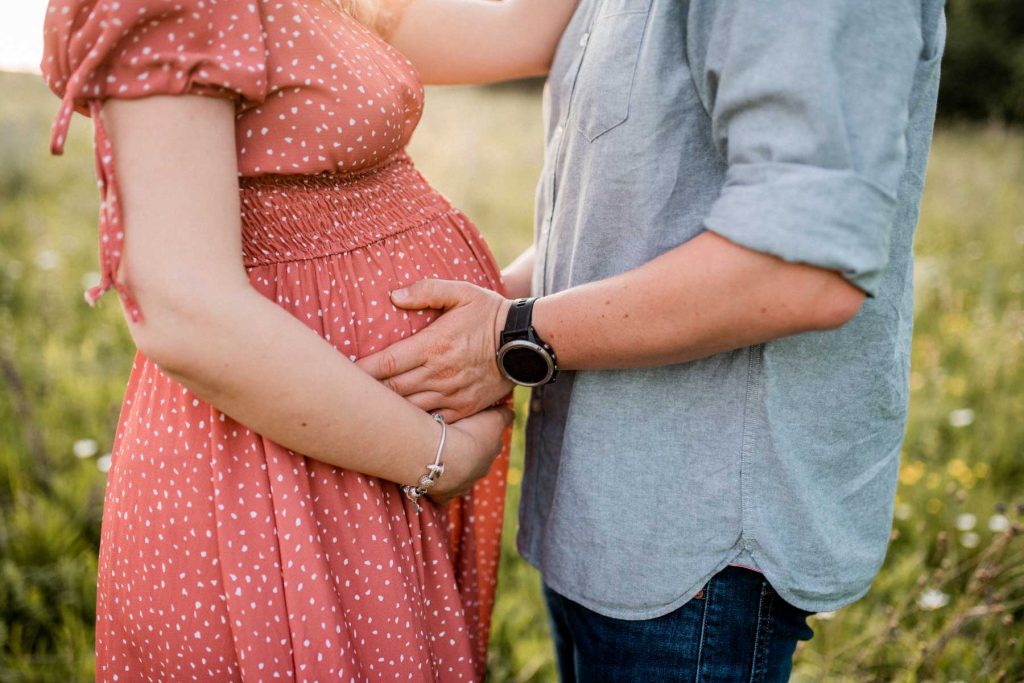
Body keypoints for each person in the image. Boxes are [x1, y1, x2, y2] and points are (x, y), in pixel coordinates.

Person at [359, 1, 947, 680]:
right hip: (601, 505)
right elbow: (639, 217)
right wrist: (486, 307)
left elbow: (803, 269)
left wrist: (510, 335)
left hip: (698, 541)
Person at [41, 0, 576, 679]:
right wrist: (437, 456)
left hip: (359, 446)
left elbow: (520, 33)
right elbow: (182, 308)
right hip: (277, 467)